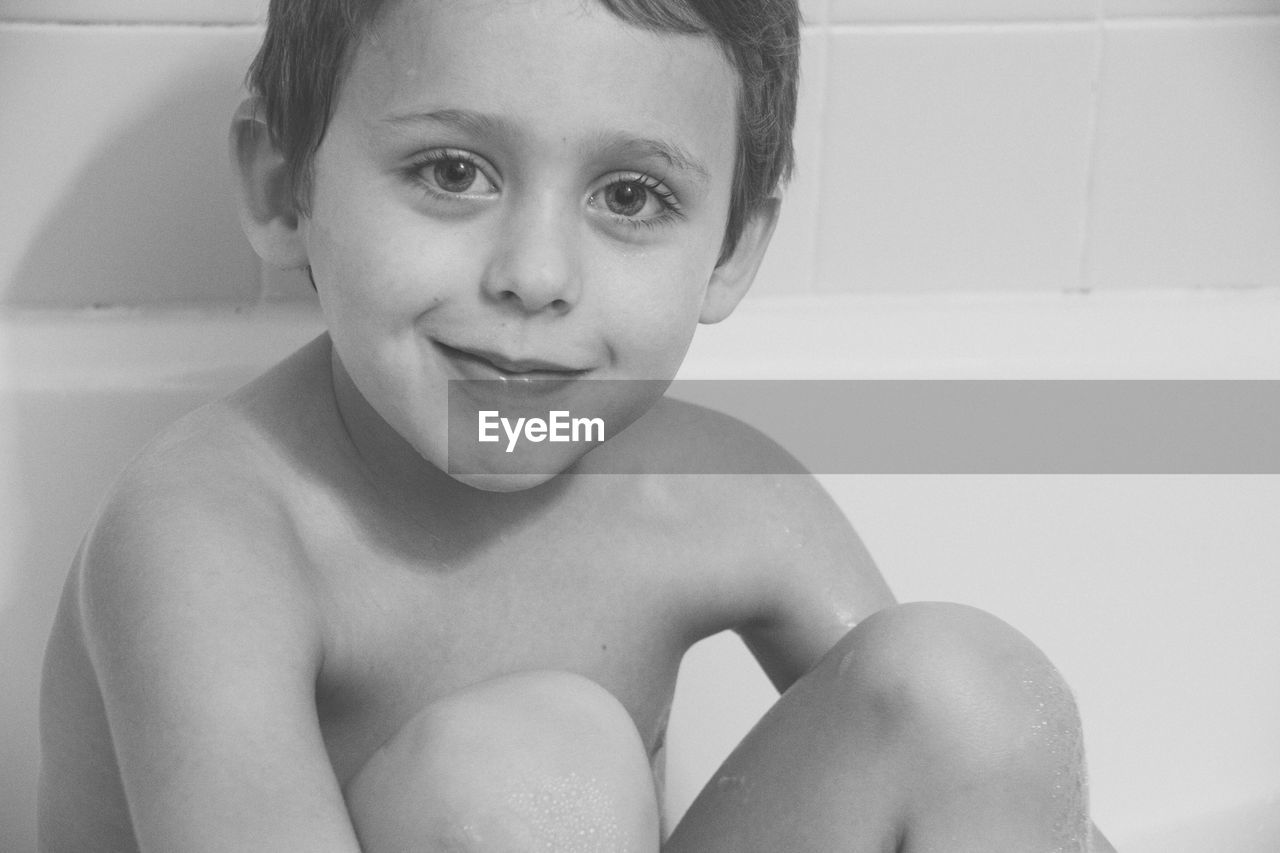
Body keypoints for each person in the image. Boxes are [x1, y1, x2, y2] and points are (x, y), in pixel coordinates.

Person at [38, 0, 1116, 850]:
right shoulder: (207, 540)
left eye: (631, 196)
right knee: (528, 777)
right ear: (285, 183)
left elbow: (980, 790)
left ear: (732, 246)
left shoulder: (713, 501)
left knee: (961, 688)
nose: (535, 275)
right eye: (452, 172)